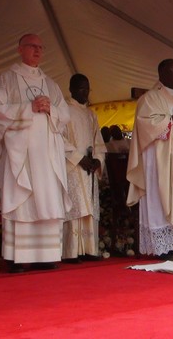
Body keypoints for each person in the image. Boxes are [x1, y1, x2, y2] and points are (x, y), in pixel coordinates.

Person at [0, 33, 71, 273]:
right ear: (19, 49)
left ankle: (44, 256)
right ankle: (15, 258)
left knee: (46, 200)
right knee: (22, 200)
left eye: (40, 47)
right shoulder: (7, 79)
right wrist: (29, 108)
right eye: (32, 46)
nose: (37, 51)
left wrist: (50, 109)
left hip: (46, 158)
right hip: (21, 157)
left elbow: (64, 115)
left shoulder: (51, 84)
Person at [126, 58, 173, 260]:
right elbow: (144, 125)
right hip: (160, 161)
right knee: (161, 197)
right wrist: (172, 121)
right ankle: (163, 247)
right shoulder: (150, 98)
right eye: (172, 71)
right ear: (161, 73)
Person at [62, 73, 106, 263]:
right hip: (73, 166)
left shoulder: (91, 114)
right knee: (76, 207)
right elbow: (59, 139)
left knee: (89, 208)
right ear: (71, 89)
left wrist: (97, 160)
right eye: (81, 88)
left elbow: (99, 142)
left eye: (87, 89)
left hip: (89, 168)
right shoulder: (63, 111)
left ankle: (89, 249)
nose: (85, 92)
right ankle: (71, 252)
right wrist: (79, 158)